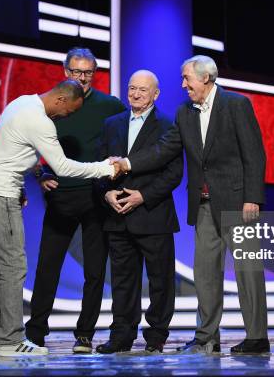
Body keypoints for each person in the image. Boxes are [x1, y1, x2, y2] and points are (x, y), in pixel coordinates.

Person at [113, 55, 270, 354]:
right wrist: (128, 163)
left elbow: (254, 154)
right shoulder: (185, 112)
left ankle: (257, 336)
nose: (183, 85)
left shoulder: (236, 105)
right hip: (204, 205)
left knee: (247, 271)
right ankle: (207, 338)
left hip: (238, 203)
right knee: (205, 273)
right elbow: (163, 150)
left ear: (206, 78)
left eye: (187, 79)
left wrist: (253, 198)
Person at [0, 80, 119, 357]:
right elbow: (62, 166)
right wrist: (104, 168)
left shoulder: (21, 101)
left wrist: (27, 180)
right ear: (61, 100)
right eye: (69, 112)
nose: (66, 117)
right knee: (14, 267)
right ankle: (11, 341)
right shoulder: (41, 122)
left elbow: (4, 148)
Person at [25, 48, 126, 353]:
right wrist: (40, 173)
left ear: (95, 73)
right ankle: (35, 333)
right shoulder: (53, 103)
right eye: (76, 72)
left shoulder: (110, 105)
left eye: (88, 73)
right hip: (60, 197)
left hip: (96, 197)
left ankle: (84, 335)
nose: (82, 78)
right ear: (65, 71)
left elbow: (125, 142)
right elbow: (27, 142)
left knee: (94, 271)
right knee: (47, 267)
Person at [95, 70, 182, 354]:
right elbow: (98, 166)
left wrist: (143, 196)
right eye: (132, 88)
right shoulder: (111, 124)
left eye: (142, 90)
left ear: (156, 94)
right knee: (122, 281)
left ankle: (156, 335)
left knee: (160, 281)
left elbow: (174, 174)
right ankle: (121, 335)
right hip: (117, 214)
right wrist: (105, 192)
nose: (135, 94)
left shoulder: (169, 125)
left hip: (153, 214)